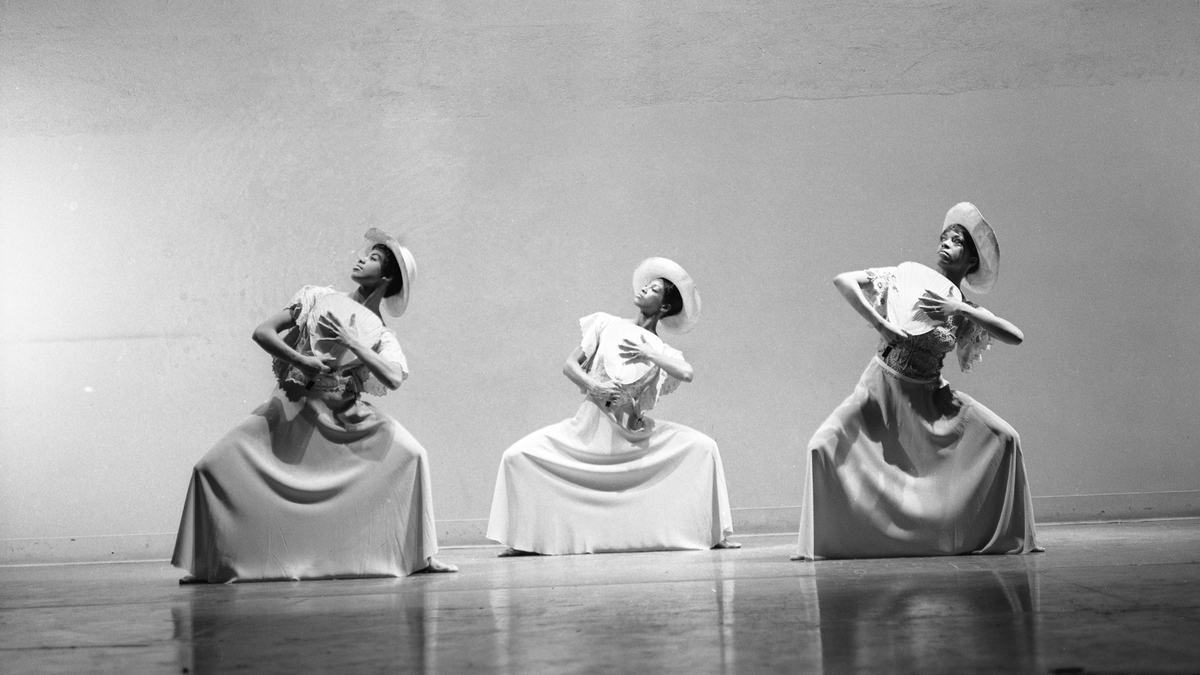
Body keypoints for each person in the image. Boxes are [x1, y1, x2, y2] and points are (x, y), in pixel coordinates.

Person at [171, 228, 456, 582]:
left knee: (412, 454)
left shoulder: (380, 333)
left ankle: (421, 556)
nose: (362, 258)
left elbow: (394, 377)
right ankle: (207, 563)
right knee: (210, 467)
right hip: (292, 406)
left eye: (374, 258)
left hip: (343, 415)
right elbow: (263, 332)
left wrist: (356, 343)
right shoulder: (317, 297)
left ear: (386, 278)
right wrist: (301, 360)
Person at [794, 203, 1040, 560]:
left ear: (970, 261)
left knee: (1006, 437)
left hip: (930, 402)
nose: (945, 243)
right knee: (821, 446)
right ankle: (833, 541)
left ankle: (997, 535)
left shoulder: (962, 307)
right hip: (881, 392)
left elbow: (1015, 336)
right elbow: (843, 281)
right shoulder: (906, 277)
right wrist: (880, 325)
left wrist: (963, 310)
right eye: (944, 238)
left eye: (956, 241)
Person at [486, 257, 738, 556]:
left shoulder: (663, 349)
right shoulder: (607, 324)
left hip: (632, 436)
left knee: (704, 447)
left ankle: (712, 534)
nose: (644, 290)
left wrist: (650, 352)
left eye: (653, 289)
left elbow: (687, 373)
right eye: (646, 285)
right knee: (516, 456)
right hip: (588, 430)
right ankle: (523, 540)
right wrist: (594, 385)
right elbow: (569, 366)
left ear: (665, 307)